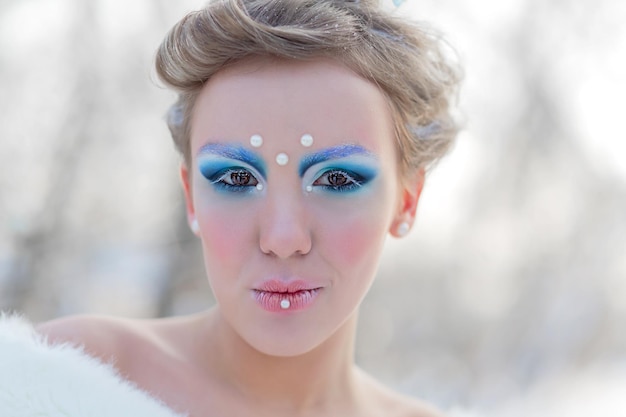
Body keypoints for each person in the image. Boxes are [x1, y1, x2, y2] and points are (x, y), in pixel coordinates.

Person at [8, 0, 461, 415]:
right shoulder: (59, 382)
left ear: (406, 200)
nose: (283, 239)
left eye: (337, 179)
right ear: (191, 197)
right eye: (238, 178)